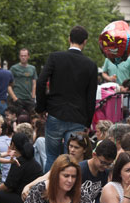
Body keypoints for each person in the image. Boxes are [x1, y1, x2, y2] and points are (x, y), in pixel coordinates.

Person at [36, 26, 98, 173]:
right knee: (72, 158)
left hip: (56, 112)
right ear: (85, 42)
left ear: (69, 39)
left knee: (51, 156)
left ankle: (47, 191)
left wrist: (41, 107)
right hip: (77, 117)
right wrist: (87, 122)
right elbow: (91, 96)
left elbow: (41, 81)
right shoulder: (90, 65)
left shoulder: (55, 57)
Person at [0, 132, 42, 203]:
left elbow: (8, 187)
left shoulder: (18, 162)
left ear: (13, 145)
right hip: (35, 198)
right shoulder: (32, 161)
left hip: (23, 199)